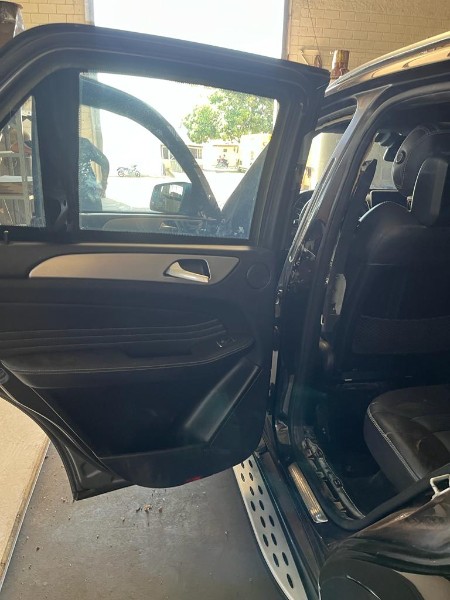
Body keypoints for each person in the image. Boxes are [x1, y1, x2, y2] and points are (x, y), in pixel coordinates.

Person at [79, 137, 109, 212]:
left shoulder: (55, 145)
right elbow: (104, 162)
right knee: (95, 217)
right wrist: (103, 184)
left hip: (64, 197)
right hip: (89, 194)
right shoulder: (83, 143)